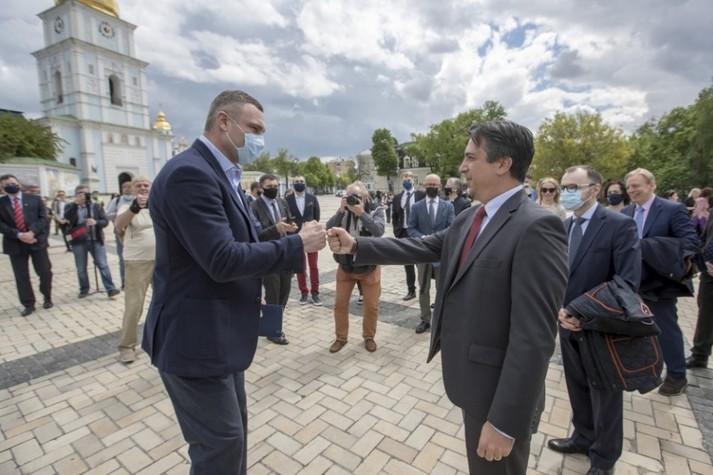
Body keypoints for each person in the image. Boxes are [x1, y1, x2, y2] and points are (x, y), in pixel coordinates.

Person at [328, 120, 568, 473]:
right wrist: (356, 245)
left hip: (499, 396)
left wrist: (505, 422)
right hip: (474, 385)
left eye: (471, 157)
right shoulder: (472, 216)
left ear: (503, 164)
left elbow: (535, 337)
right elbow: (422, 246)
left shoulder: (537, 227)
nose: (462, 167)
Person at [142, 90, 326, 475]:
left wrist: (280, 243)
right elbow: (222, 259)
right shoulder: (190, 174)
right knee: (220, 447)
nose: (260, 139)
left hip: (220, 334)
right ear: (223, 121)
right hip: (194, 339)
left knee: (233, 437)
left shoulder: (222, 175)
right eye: (254, 129)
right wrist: (297, 244)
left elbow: (238, 243)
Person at [547, 166, 641, 475]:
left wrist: (584, 313)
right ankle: (583, 438)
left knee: (605, 396)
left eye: (574, 187)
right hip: (567, 325)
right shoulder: (564, 226)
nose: (567, 192)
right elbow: (559, 274)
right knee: (577, 387)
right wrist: (559, 308)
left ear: (595, 189)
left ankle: (604, 459)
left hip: (601, 328)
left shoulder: (619, 225)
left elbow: (626, 283)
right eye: (564, 187)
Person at [623, 168, 699, 396]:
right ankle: (643, 371)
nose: (632, 190)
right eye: (629, 187)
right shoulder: (627, 212)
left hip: (660, 283)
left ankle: (677, 375)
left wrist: (651, 247)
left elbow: (689, 242)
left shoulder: (672, 209)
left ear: (651, 185)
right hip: (632, 280)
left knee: (665, 329)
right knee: (637, 329)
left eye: (636, 186)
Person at [326, 181, 385, 353]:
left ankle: (369, 337)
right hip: (346, 266)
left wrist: (362, 213)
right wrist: (340, 211)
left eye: (356, 197)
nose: (352, 200)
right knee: (340, 305)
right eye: (349, 196)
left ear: (364, 196)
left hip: (369, 267)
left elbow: (379, 231)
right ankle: (341, 338)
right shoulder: (344, 211)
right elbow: (329, 228)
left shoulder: (375, 209)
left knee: (371, 306)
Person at [250, 174, 298, 345]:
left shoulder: (282, 202)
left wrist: (292, 227)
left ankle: (275, 324)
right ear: (261, 188)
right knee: (273, 293)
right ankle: (272, 331)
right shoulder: (253, 207)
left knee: (285, 291)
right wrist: (275, 228)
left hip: (285, 254)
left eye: (276, 186)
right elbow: (255, 235)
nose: (274, 189)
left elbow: (289, 219)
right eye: (269, 187)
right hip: (268, 256)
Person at [0, 174, 53, 316]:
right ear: (2, 188)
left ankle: (47, 296)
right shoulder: (1, 203)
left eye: (13, 182)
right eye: (7, 185)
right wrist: (19, 235)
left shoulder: (35, 199)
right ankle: (28, 304)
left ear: (19, 183)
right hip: (15, 243)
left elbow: (43, 219)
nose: (11, 186)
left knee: (45, 272)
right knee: (21, 276)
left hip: (36, 241)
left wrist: (32, 233)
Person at [408, 174, 455, 334]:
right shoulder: (416, 207)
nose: (432, 187)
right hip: (423, 253)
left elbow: (452, 227)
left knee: (442, 288)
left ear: (440, 186)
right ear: (424, 185)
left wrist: (437, 239)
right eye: (429, 184)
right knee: (423, 288)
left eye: (434, 185)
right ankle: (425, 319)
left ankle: (442, 318)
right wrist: (424, 238)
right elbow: (411, 228)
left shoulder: (448, 207)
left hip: (441, 253)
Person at [114, 176, 154, 364]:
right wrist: (135, 207)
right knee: (134, 305)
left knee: (165, 301)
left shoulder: (157, 205)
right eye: (139, 185)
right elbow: (119, 224)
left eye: (146, 185)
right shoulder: (126, 206)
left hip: (162, 260)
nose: (143, 187)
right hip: (137, 261)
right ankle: (126, 346)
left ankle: (159, 338)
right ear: (131, 189)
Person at [64, 185, 121, 299]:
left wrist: (96, 222)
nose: (83, 195)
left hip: (95, 239)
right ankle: (84, 289)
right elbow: (68, 218)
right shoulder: (70, 206)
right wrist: (76, 204)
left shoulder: (96, 206)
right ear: (76, 195)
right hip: (78, 241)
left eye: (85, 193)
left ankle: (110, 288)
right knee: (81, 267)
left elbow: (105, 221)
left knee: (103, 264)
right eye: (80, 193)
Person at [286, 175, 322, 306]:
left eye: (301, 181)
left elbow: (317, 216)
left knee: (313, 266)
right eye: (297, 181)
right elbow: (287, 217)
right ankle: (303, 293)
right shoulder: (287, 200)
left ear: (305, 184)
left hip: (311, 236)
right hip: (296, 237)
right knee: (300, 266)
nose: (299, 183)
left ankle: (315, 293)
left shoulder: (312, 198)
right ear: (293, 184)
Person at [391, 170, 425, 301]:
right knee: (407, 263)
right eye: (404, 179)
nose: (407, 181)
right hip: (404, 232)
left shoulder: (421, 195)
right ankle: (411, 290)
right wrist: (396, 231)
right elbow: (394, 215)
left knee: (420, 263)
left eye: (409, 179)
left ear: (413, 180)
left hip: (418, 231)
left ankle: (424, 290)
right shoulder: (398, 197)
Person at [687, 216, 713, 369]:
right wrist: (703, 260)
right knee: (705, 317)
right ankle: (700, 355)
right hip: (708, 275)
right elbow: (703, 239)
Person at [105, 180, 134, 289]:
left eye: (130, 187)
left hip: (136, 232)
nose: (128, 189)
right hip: (121, 232)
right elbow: (108, 215)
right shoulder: (116, 201)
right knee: (123, 257)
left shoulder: (137, 199)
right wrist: (120, 215)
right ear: (122, 189)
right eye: (125, 187)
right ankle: (124, 281)